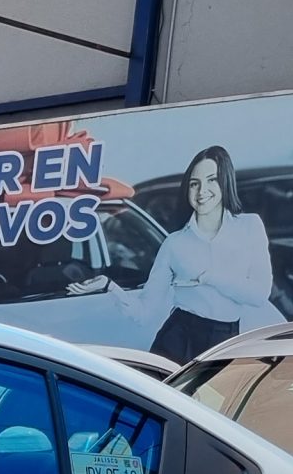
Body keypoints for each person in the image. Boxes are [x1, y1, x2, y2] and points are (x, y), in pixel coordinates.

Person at [72, 145, 280, 359]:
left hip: (225, 340)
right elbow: (145, 312)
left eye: (212, 180)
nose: (202, 191)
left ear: (225, 182)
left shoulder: (249, 226)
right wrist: (110, 286)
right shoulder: (175, 243)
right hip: (178, 338)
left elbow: (259, 294)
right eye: (194, 184)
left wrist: (210, 277)